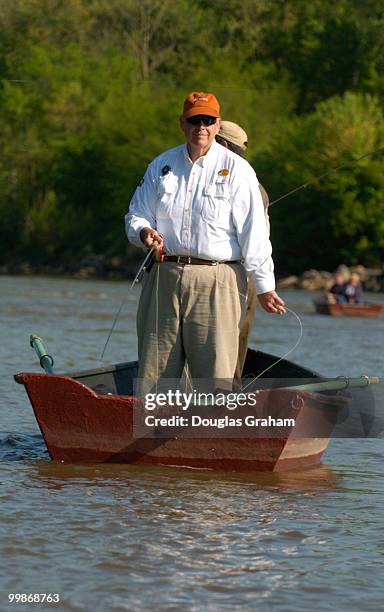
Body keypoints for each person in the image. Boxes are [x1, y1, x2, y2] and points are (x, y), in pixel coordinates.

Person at [125, 91, 285, 395]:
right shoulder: (161, 165)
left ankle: (212, 436)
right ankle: (151, 432)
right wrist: (143, 231)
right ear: (183, 123)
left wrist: (265, 287)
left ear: (217, 124)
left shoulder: (239, 171)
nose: (201, 126)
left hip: (218, 279)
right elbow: (136, 213)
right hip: (163, 276)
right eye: (195, 120)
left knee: (215, 376)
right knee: (154, 375)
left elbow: (254, 233)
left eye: (208, 120)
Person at [216, 121, 270, 381]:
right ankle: (232, 393)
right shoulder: (258, 186)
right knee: (239, 336)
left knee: (219, 336)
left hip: (230, 271)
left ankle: (213, 395)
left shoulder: (236, 181)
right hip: (249, 273)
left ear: (223, 145)